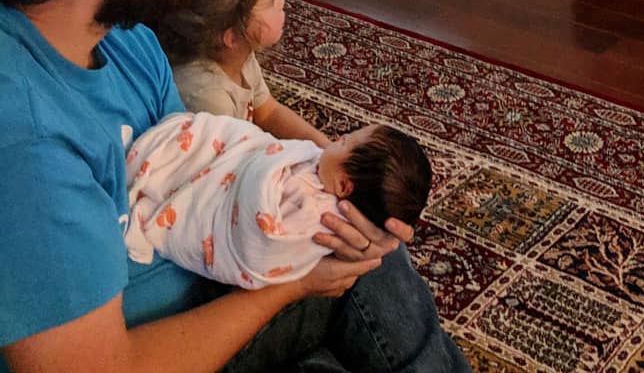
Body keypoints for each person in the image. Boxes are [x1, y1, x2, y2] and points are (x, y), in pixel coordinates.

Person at [0, 0, 470, 373]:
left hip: (205, 275)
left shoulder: (124, 37)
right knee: (355, 292)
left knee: (353, 271)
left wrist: (332, 213)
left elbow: (197, 159)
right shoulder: (29, 147)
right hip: (145, 343)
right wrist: (288, 287)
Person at [127, 112, 432, 289]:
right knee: (385, 265)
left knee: (386, 259)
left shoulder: (312, 204)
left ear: (342, 185)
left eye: (343, 141)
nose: (334, 140)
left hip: (228, 238)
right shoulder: (326, 182)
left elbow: (264, 229)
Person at [156, 0, 329, 146]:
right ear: (231, 36)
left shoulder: (238, 54)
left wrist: (326, 148)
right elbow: (231, 165)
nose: (282, 2)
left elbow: (268, 113)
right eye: (270, 0)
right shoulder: (209, 98)